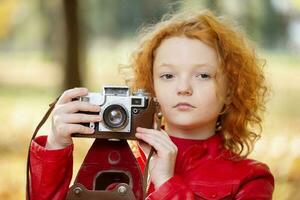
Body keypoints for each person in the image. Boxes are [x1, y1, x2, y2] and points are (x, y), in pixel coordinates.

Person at [29, 10, 274, 199]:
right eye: (168, 76)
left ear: (231, 91)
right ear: (151, 88)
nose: (183, 88)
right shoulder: (116, 158)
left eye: (203, 75)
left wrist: (167, 183)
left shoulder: (251, 178)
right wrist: (55, 147)